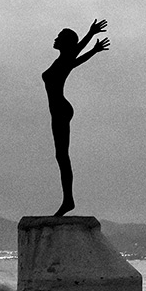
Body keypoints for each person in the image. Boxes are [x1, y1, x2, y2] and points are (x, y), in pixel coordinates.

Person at [41, 19, 109, 216]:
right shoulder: (63, 61)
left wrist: (90, 34)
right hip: (59, 111)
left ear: (65, 43)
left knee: (62, 156)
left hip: (60, 111)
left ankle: (68, 200)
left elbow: (74, 53)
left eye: (59, 37)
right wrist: (93, 49)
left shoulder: (64, 59)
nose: (55, 39)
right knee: (61, 156)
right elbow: (75, 60)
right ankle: (68, 199)